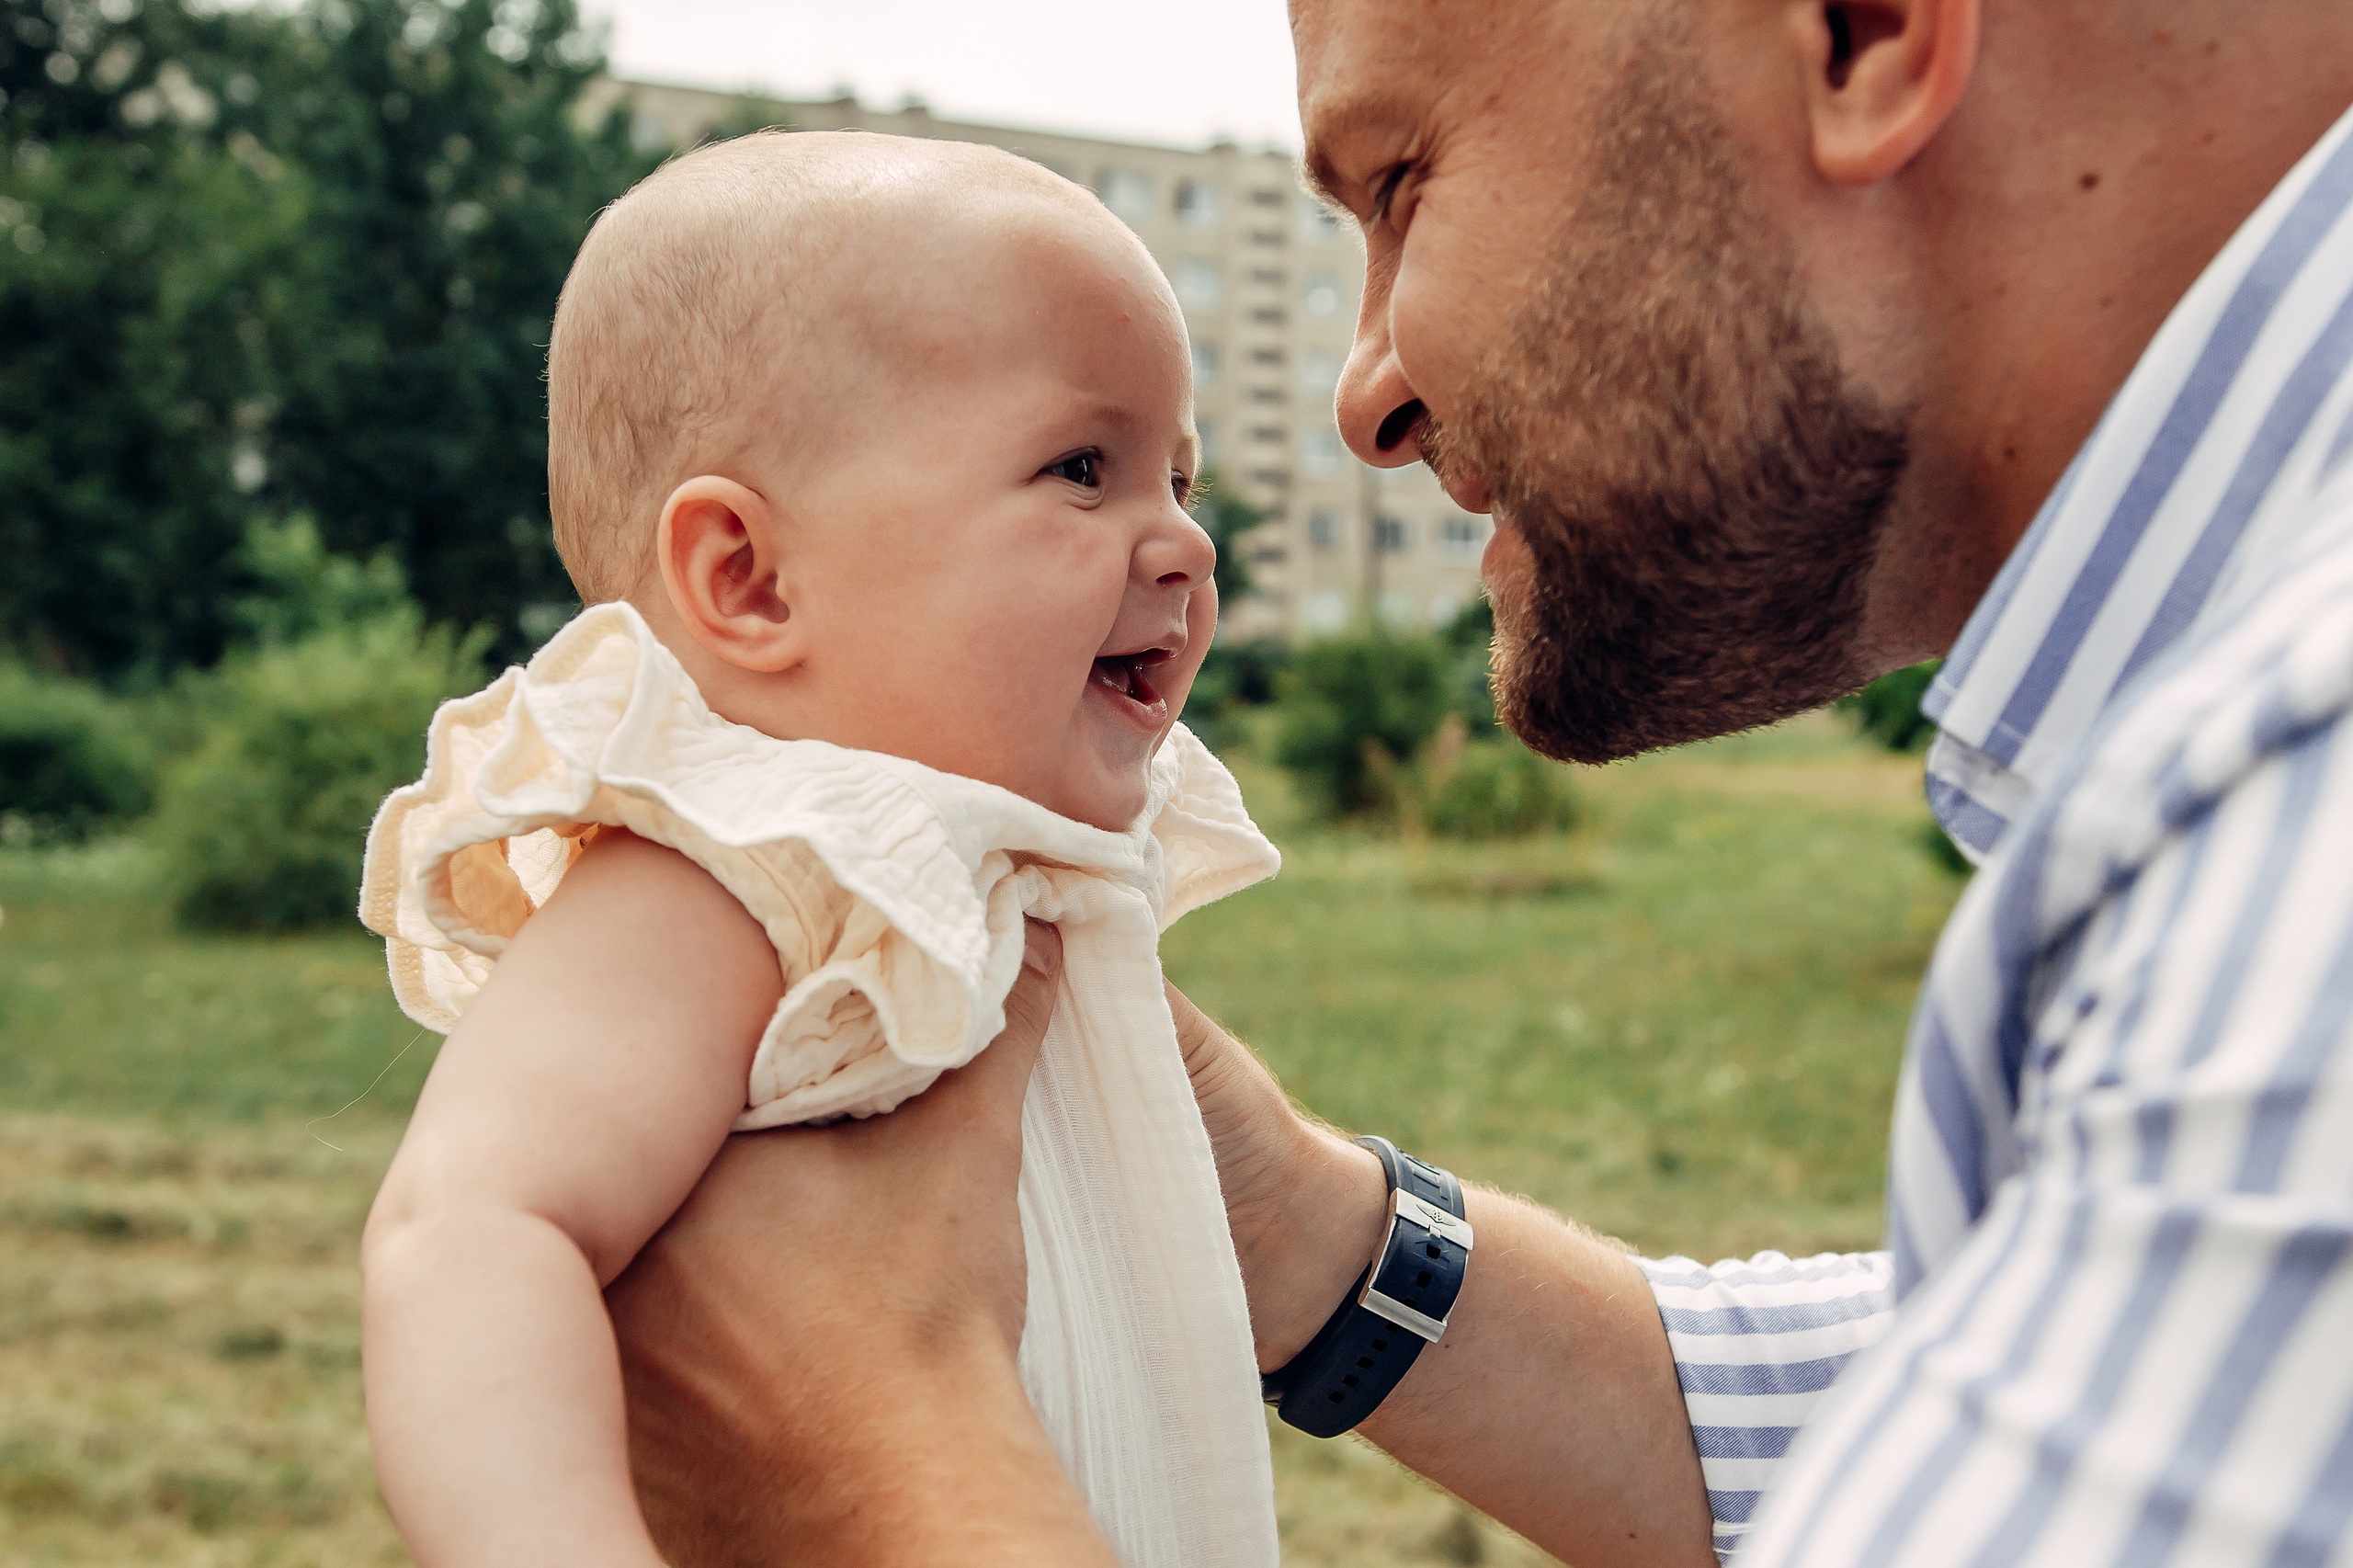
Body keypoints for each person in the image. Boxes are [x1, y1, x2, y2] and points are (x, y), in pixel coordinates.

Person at [604, 0, 2353, 1564]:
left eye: (1401, 183)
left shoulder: (2303, 852)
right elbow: (1993, 1392)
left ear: (1860, 33)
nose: (1372, 393)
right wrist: (1302, 1230)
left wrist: (872, 1469)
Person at [355, 131, 1292, 1568]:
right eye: (1083, 467)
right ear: (748, 578)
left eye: (1181, 475)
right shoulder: (744, 861)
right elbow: (473, 1228)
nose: (1182, 544)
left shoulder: (987, 851)